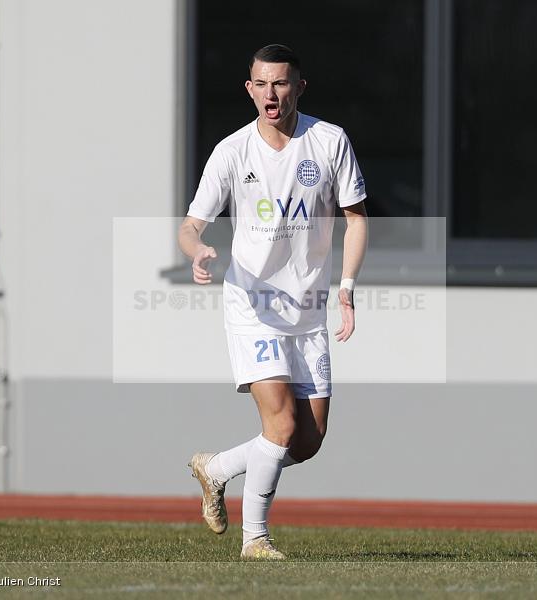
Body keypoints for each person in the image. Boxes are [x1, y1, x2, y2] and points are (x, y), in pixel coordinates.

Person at [178, 44, 368, 560]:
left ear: (299, 88)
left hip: (308, 312)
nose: (271, 94)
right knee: (279, 426)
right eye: (261, 84)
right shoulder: (233, 151)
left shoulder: (328, 142)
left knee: (307, 440)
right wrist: (197, 251)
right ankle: (254, 539)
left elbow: (356, 219)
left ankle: (215, 469)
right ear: (249, 89)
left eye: (281, 83)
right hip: (252, 307)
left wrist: (347, 289)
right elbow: (191, 225)